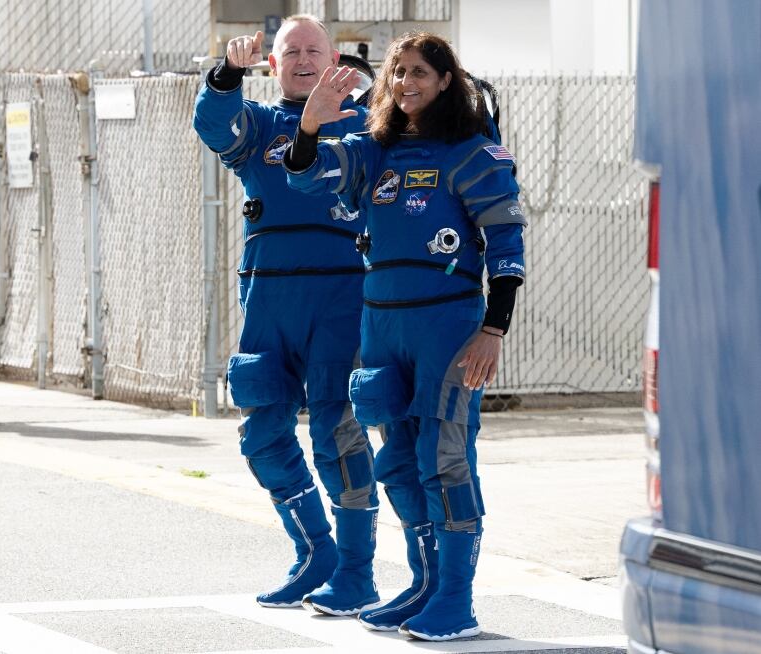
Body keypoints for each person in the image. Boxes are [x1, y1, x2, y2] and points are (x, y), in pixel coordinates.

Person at [285, 32, 527, 641]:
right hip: (383, 325)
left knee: (443, 459)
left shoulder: (472, 153)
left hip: (448, 327)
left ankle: (455, 598)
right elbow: (310, 179)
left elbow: (506, 244)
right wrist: (310, 128)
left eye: (420, 72)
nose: (406, 83)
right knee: (395, 460)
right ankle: (422, 585)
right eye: (398, 73)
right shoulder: (375, 150)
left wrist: (492, 329)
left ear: (446, 79)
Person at [192, 16, 380, 616]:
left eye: (313, 49)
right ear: (273, 65)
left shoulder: (367, 124)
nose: (302, 58)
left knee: (338, 431)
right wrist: (226, 75)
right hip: (267, 296)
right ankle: (314, 552)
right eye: (290, 51)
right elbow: (212, 125)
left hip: (341, 297)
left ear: (335, 59)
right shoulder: (260, 126)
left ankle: (356, 573)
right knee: (262, 430)